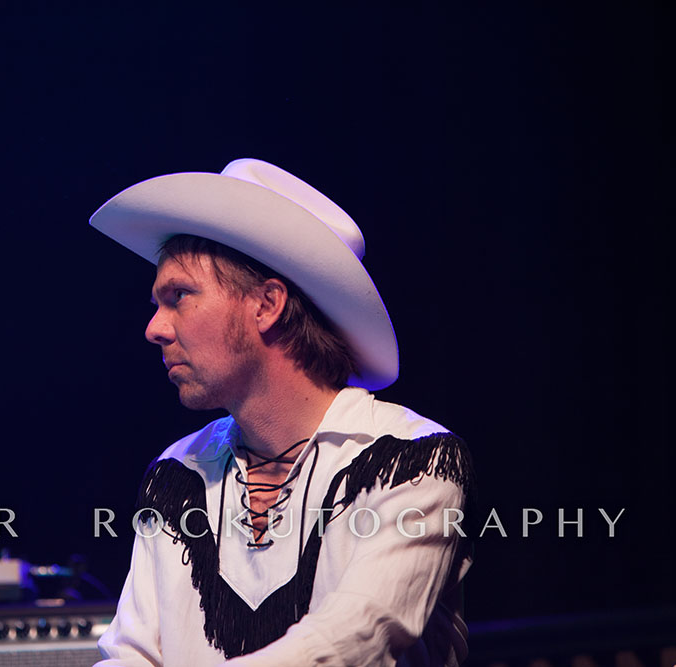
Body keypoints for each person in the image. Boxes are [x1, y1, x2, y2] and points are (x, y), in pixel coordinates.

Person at [89, 158, 475, 666]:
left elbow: (349, 642)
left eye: (178, 296)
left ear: (267, 305)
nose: (154, 328)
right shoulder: (177, 472)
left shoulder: (413, 462)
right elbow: (132, 654)